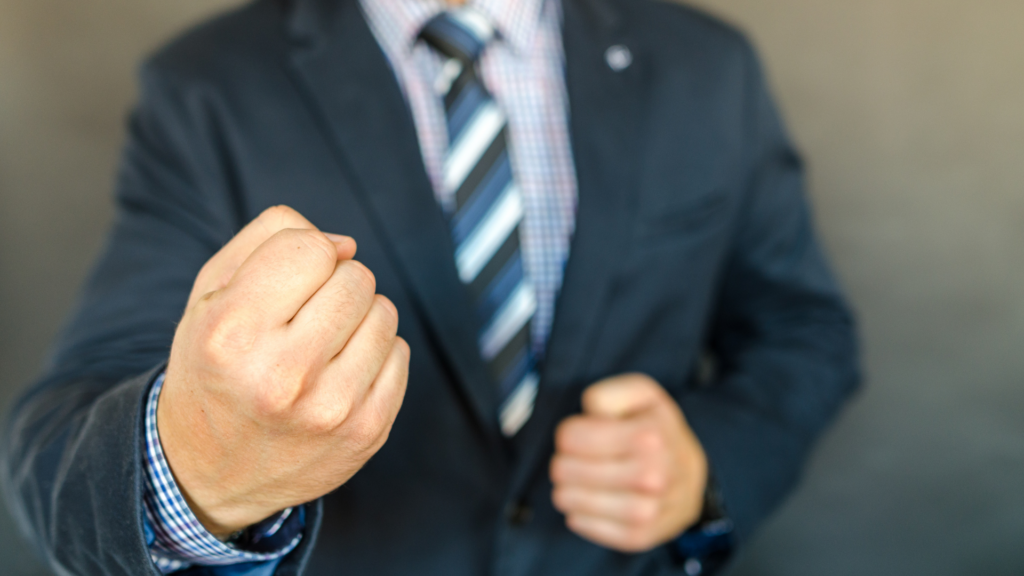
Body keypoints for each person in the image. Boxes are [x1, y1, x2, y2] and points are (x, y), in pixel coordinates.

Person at [1, 0, 860, 573]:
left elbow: (803, 330)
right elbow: (62, 436)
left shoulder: (709, 67)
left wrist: (705, 463)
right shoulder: (208, 88)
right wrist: (200, 472)